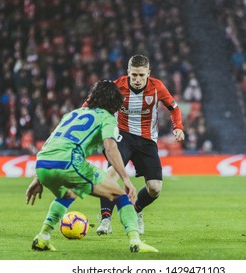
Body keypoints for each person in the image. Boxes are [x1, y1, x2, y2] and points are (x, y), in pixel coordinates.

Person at [26, 80, 158, 253]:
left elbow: (54, 143)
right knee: (119, 195)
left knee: (69, 193)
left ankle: (43, 237)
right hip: (70, 161)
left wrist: (39, 178)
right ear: (115, 104)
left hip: (42, 163)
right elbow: (110, 148)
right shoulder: (106, 118)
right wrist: (126, 179)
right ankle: (135, 241)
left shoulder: (73, 114)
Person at [96, 54, 185, 235]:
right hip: (122, 136)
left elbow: (174, 108)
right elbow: (93, 103)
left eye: (141, 75)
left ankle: (136, 209)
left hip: (146, 140)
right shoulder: (117, 86)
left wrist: (178, 127)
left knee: (155, 188)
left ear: (148, 74)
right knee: (111, 173)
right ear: (128, 72)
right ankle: (105, 219)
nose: (137, 80)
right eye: (134, 75)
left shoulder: (157, 87)